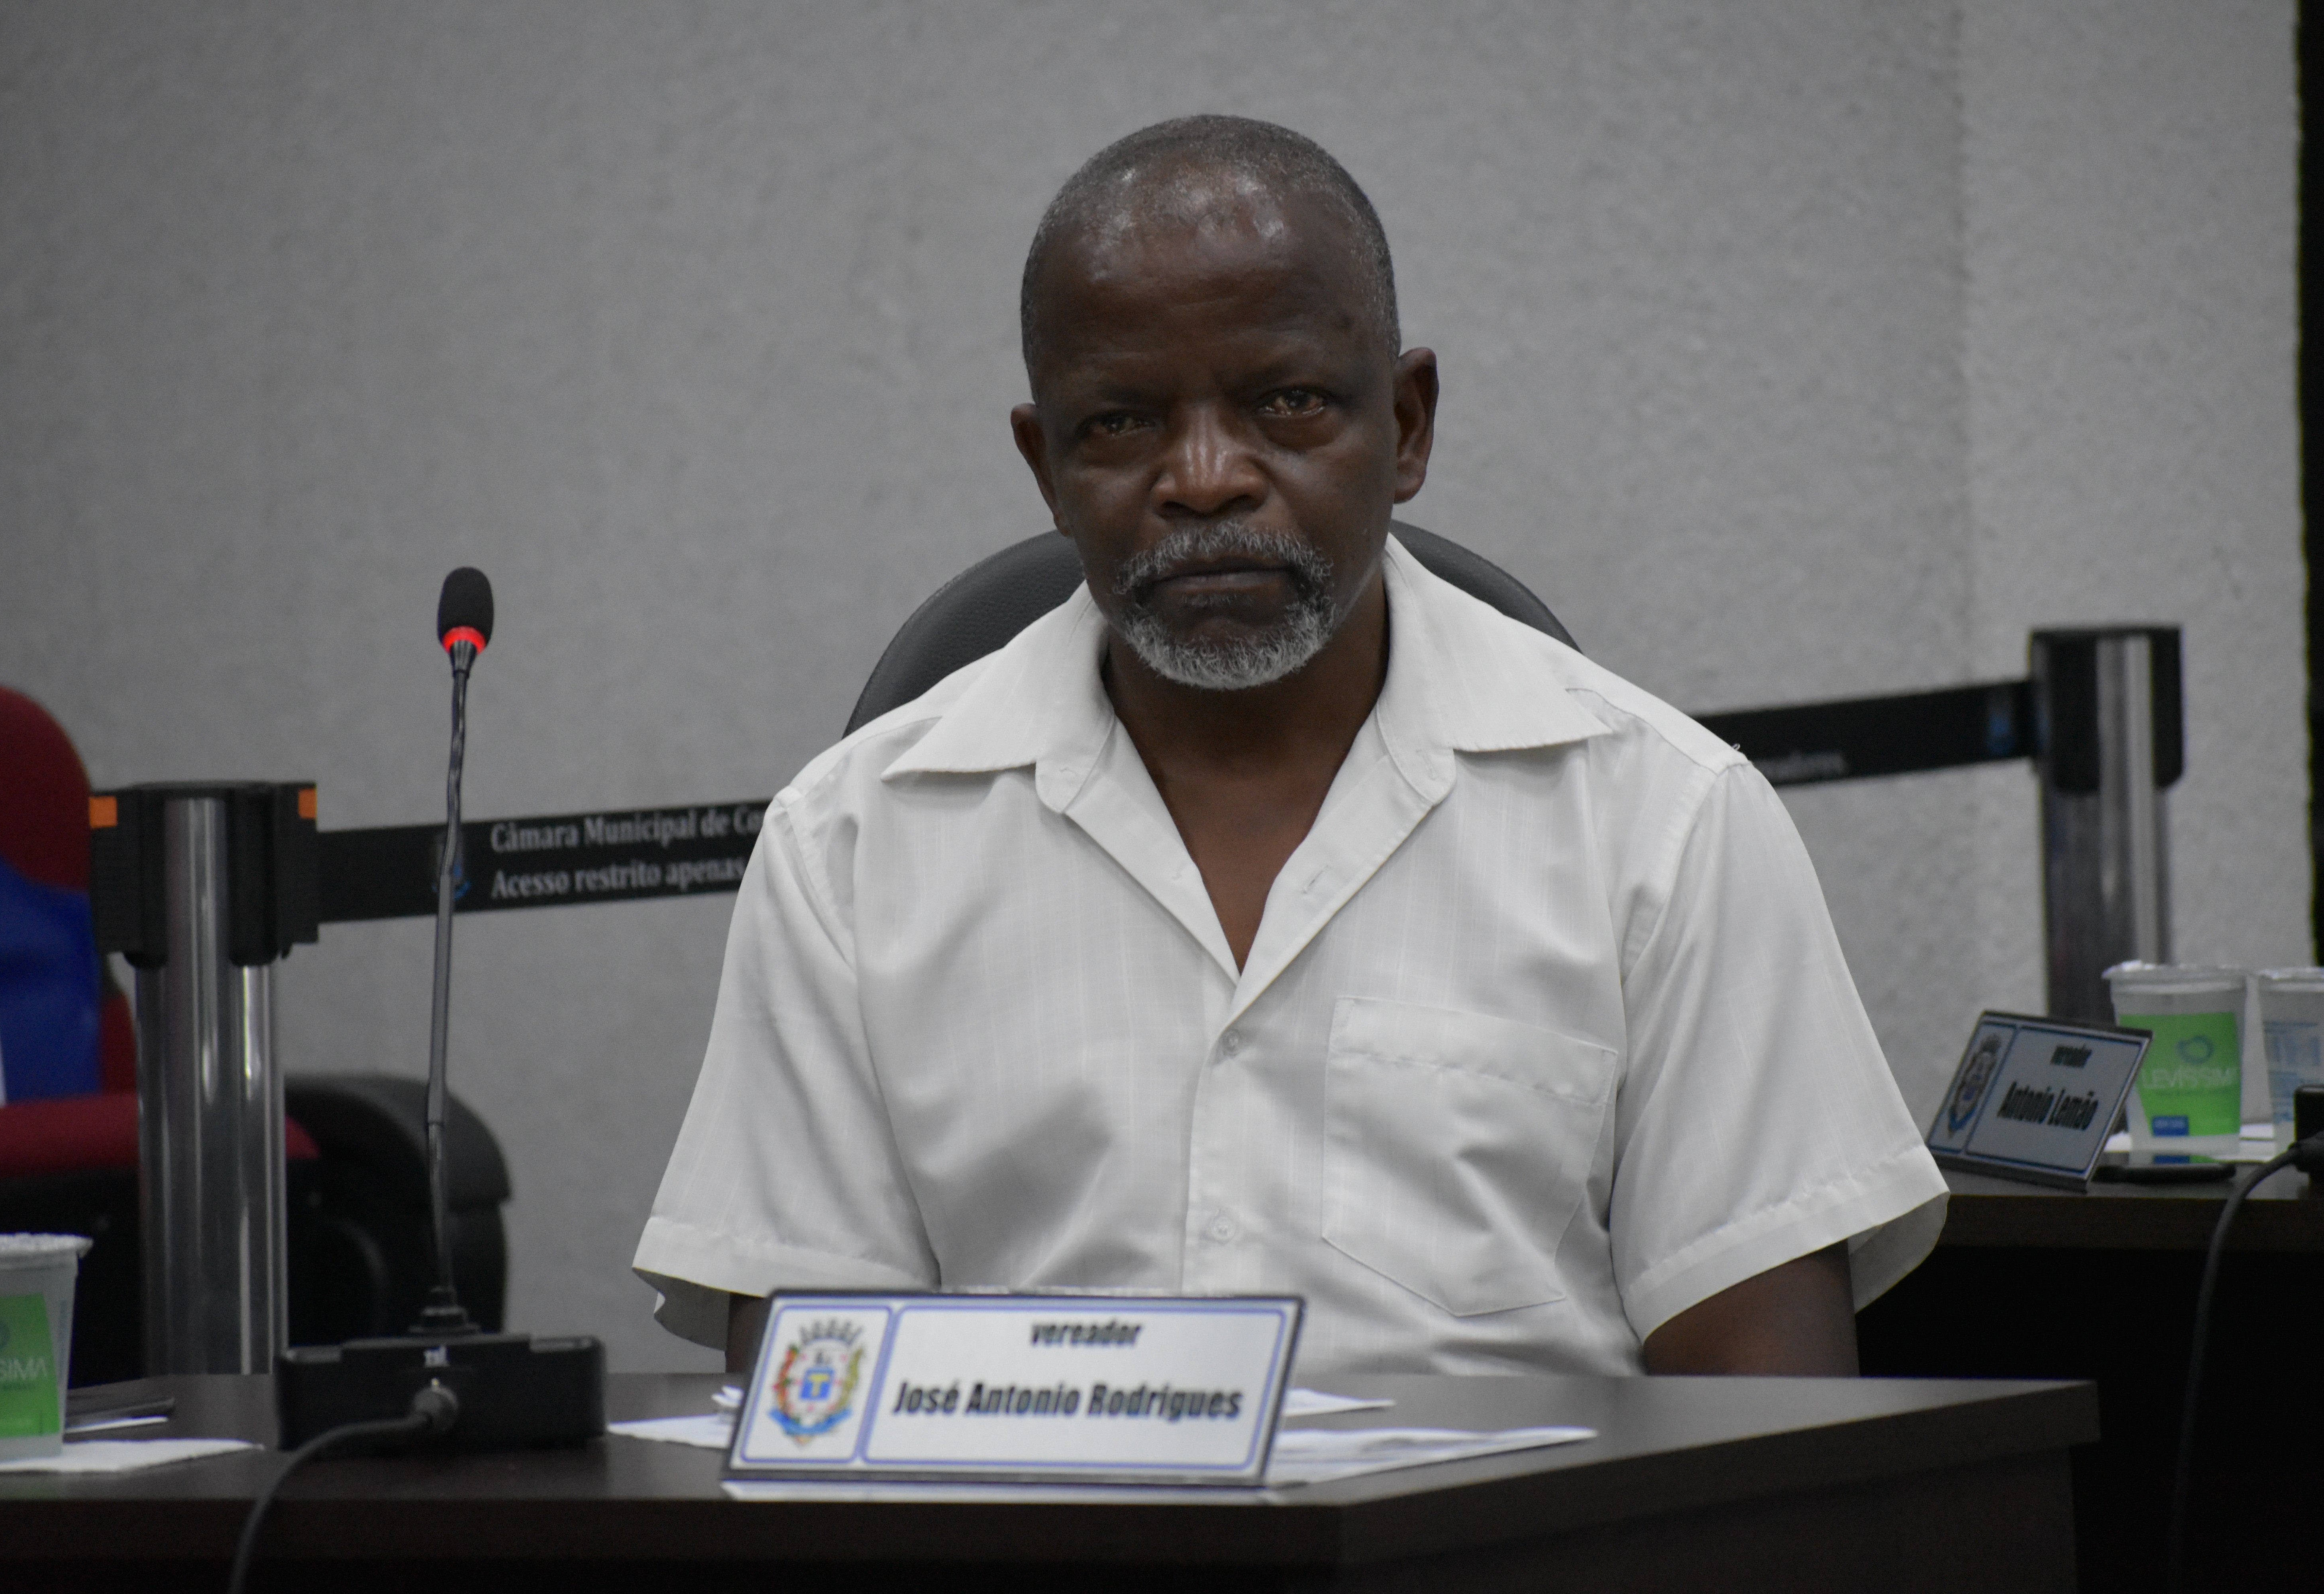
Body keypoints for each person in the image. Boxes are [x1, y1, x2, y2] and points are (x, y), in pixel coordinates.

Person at [635, 115, 1945, 1380]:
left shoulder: (1665, 821)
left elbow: (1765, 1416)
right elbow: (816, 1401)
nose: (1205, 476)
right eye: (1121, 422)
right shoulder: (851, 844)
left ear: (1409, 425)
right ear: (1045, 468)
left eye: (1290, 402)